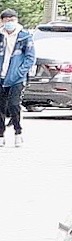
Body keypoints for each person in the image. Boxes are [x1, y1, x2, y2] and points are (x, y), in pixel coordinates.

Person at [0, 9, 31, 147]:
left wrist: (20, 72)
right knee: (1, 107)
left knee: (13, 105)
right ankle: (1, 134)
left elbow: (30, 57)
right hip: (1, 76)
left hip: (16, 77)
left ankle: (18, 131)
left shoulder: (24, 36)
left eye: (12, 20)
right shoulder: (1, 36)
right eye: (6, 20)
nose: (9, 23)